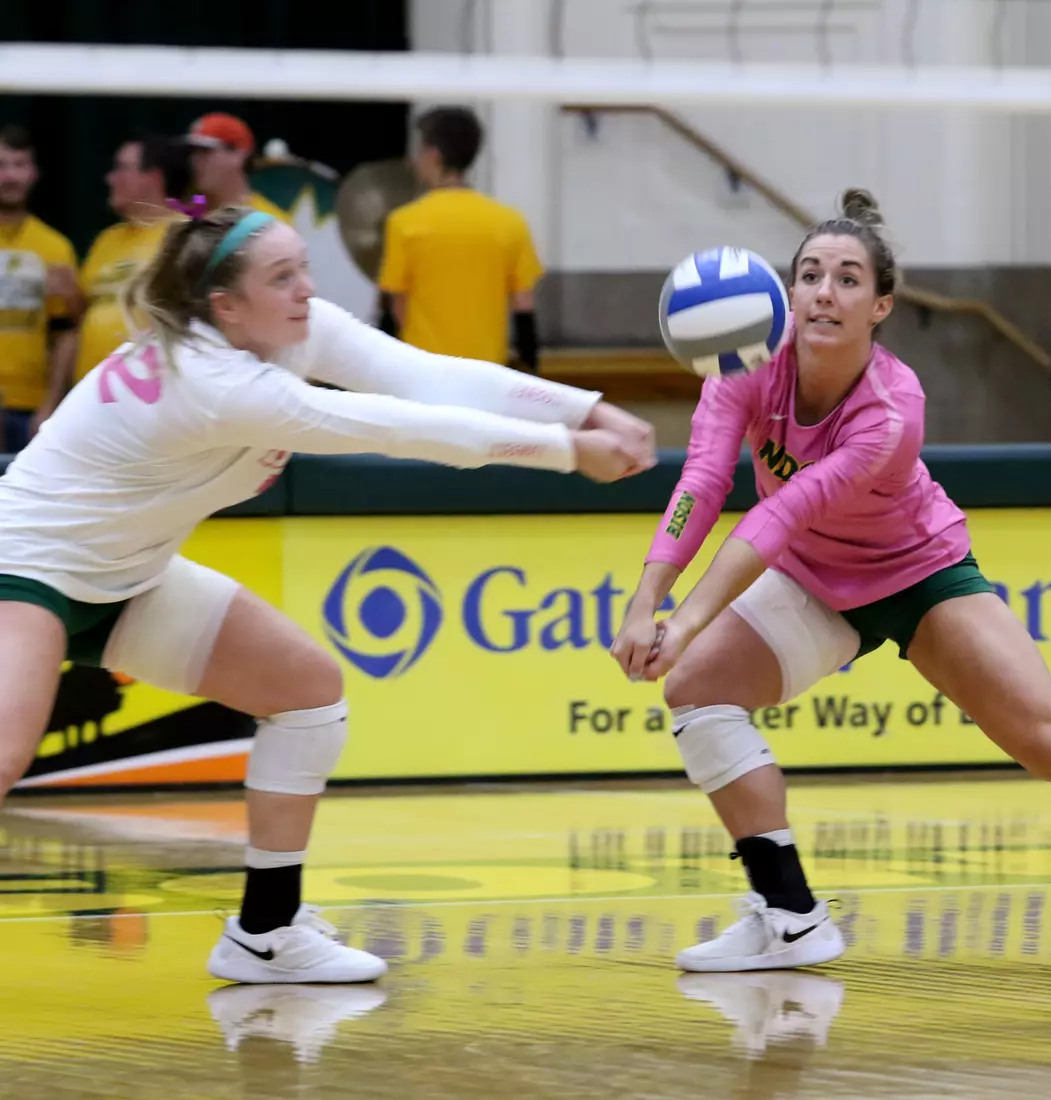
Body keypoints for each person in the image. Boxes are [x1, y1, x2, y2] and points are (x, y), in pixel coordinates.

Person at [611, 188, 1051, 973]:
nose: (825, 291)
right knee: (695, 687)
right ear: (787, 293)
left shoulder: (892, 409)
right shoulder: (744, 369)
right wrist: (648, 600)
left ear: (881, 305)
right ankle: (790, 916)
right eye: (810, 274)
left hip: (917, 574)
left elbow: (776, 516)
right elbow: (704, 479)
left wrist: (683, 618)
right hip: (813, 578)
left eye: (848, 279)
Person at [0, 203, 655, 984]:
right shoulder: (215, 381)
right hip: (27, 563)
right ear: (225, 306)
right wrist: (566, 452)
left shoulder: (288, 326)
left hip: (129, 576)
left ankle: (266, 934)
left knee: (305, 690)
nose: (306, 289)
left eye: (303, 266)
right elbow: (393, 428)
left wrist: (589, 407)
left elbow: (427, 375)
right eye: (283, 277)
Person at [377, 106, 543, 370]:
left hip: (424, 372)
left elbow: (397, 306)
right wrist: (531, 367)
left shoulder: (405, 222)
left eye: (419, 151)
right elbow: (524, 305)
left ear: (433, 155)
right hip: (487, 372)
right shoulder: (510, 222)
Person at [38, 134, 187, 422]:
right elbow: (78, 325)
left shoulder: (185, 236)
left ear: (152, 177)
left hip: (153, 399)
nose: (110, 178)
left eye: (121, 168)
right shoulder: (107, 240)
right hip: (91, 396)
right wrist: (71, 298)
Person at [0, 125, 80, 452]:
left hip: (31, 406)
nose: (11, 176)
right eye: (2, 166)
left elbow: (67, 331)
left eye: (19, 165)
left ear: (33, 173)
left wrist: (50, 405)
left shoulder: (55, 246)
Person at [184, 113, 291, 223]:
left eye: (205, 151)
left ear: (238, 154)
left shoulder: (268, 223)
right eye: (192, 152)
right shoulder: (182, 218)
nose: (195, 160)